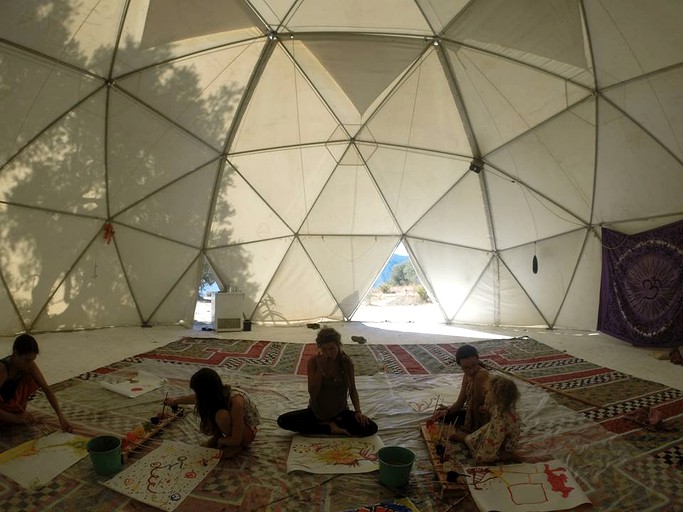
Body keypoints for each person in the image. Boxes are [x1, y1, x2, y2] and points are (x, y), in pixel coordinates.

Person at [277, 327, 378, 436]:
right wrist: (321, 369)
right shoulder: (313, 362)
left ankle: (328, 425)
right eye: (324, 349)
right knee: (283, 421)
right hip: (317, 413)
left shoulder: (346, 363)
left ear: (339, 346)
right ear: (319, 348)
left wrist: (358, 411)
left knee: (371, 428)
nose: (328, 353)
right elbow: (313, 392)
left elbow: (353, 390)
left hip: (340, 413)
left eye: (332, 348)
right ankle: (328, 428)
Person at [164, 368, 260, 458]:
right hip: (235, 430)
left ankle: (235, 446)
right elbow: (195, 398)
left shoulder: (236, 401)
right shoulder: (215, 394)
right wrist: (174, 401)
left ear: (207, 391)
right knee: (209, 406)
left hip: (246, 434)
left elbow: (236, 438)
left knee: (221, 415)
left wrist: (221, 440)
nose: (198, 396)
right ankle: (221, 438)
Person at [0, 333, 72, 432]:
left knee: (28, 377)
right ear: (15, 354)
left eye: (32, 360)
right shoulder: (2, 370)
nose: (30, 364)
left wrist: (61, 417)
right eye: (27, 360)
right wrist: (16, 418)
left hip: (7, 408)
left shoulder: (29, 366)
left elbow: (46, 389)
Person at [448, 375, 521, 464]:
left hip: (502, 438)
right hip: (496, 431)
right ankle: (468, 439)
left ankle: (504, 456)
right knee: (478, 436)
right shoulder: (501, 406)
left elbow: (507, 436)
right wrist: (486, 409)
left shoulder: (504, 420)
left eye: (489, 391)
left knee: (482, 457)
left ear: (497, 396)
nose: (487, 393)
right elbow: (493, 410)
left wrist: (505, 451)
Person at [432, 344, 490, 433]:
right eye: (466, 368)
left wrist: (474, 430)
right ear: (460, 365)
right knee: (441, 415)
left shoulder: (480, 375)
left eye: (474, 365)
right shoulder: (467, 375)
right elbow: (460, 402)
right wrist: (446, 411)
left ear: (478, 358)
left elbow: (477, 406)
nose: (471, 370)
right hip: (471, 410)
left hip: (484, 414)